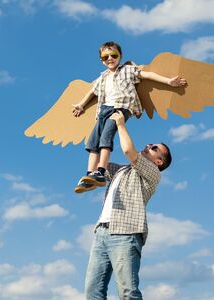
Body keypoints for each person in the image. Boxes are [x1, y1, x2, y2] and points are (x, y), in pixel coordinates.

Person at [72, 41, 185, 193]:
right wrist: (81, 105)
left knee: (106, 137)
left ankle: (101, 171)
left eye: (113, 55)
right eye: (105, 57)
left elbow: (147, 75)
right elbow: (92, 92)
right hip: (103, 110)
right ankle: (89, 175)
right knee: (93, 143)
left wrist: (168, 81)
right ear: (101, 60)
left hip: (120, 108)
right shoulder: (103, 77)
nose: (110, 59)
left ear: (120, 56)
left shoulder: (127, 70)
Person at [84, 110, 172, 300]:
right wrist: (102, 125)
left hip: (126, 233)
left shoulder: (153, 173)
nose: (149, 145)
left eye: (154, 147)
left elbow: (128, 151)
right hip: (102, 233)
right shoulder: (122, 170)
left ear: (158, 161)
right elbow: (101, 158)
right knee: (92, 292)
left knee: (127, 292)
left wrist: (121, 124)